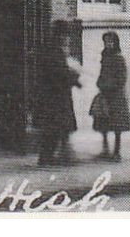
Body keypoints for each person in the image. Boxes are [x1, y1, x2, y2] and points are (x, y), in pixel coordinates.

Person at [34, 24, 81, 165]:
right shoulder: (54, 51)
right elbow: (59, 72)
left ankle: (55, 155)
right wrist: (74, 77)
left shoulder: (53, 50)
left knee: (57, 127)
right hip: (55, 96)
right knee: (55, 127)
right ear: (60, 36)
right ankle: (48, 156)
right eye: (65, 36)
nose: (67, 39)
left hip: (55, 94)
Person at [89, 31, 130, 161]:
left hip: (116, 94)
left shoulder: (119, 58)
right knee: (103, 121)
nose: (108, 44)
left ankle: (116, 151)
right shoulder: (105, 56)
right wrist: (100, 82)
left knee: (117, 124)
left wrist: (112, 86)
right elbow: (102, 73)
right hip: (105, 93)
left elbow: (122, 77)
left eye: (111, 41)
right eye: (106, 42)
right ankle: (105, 147)